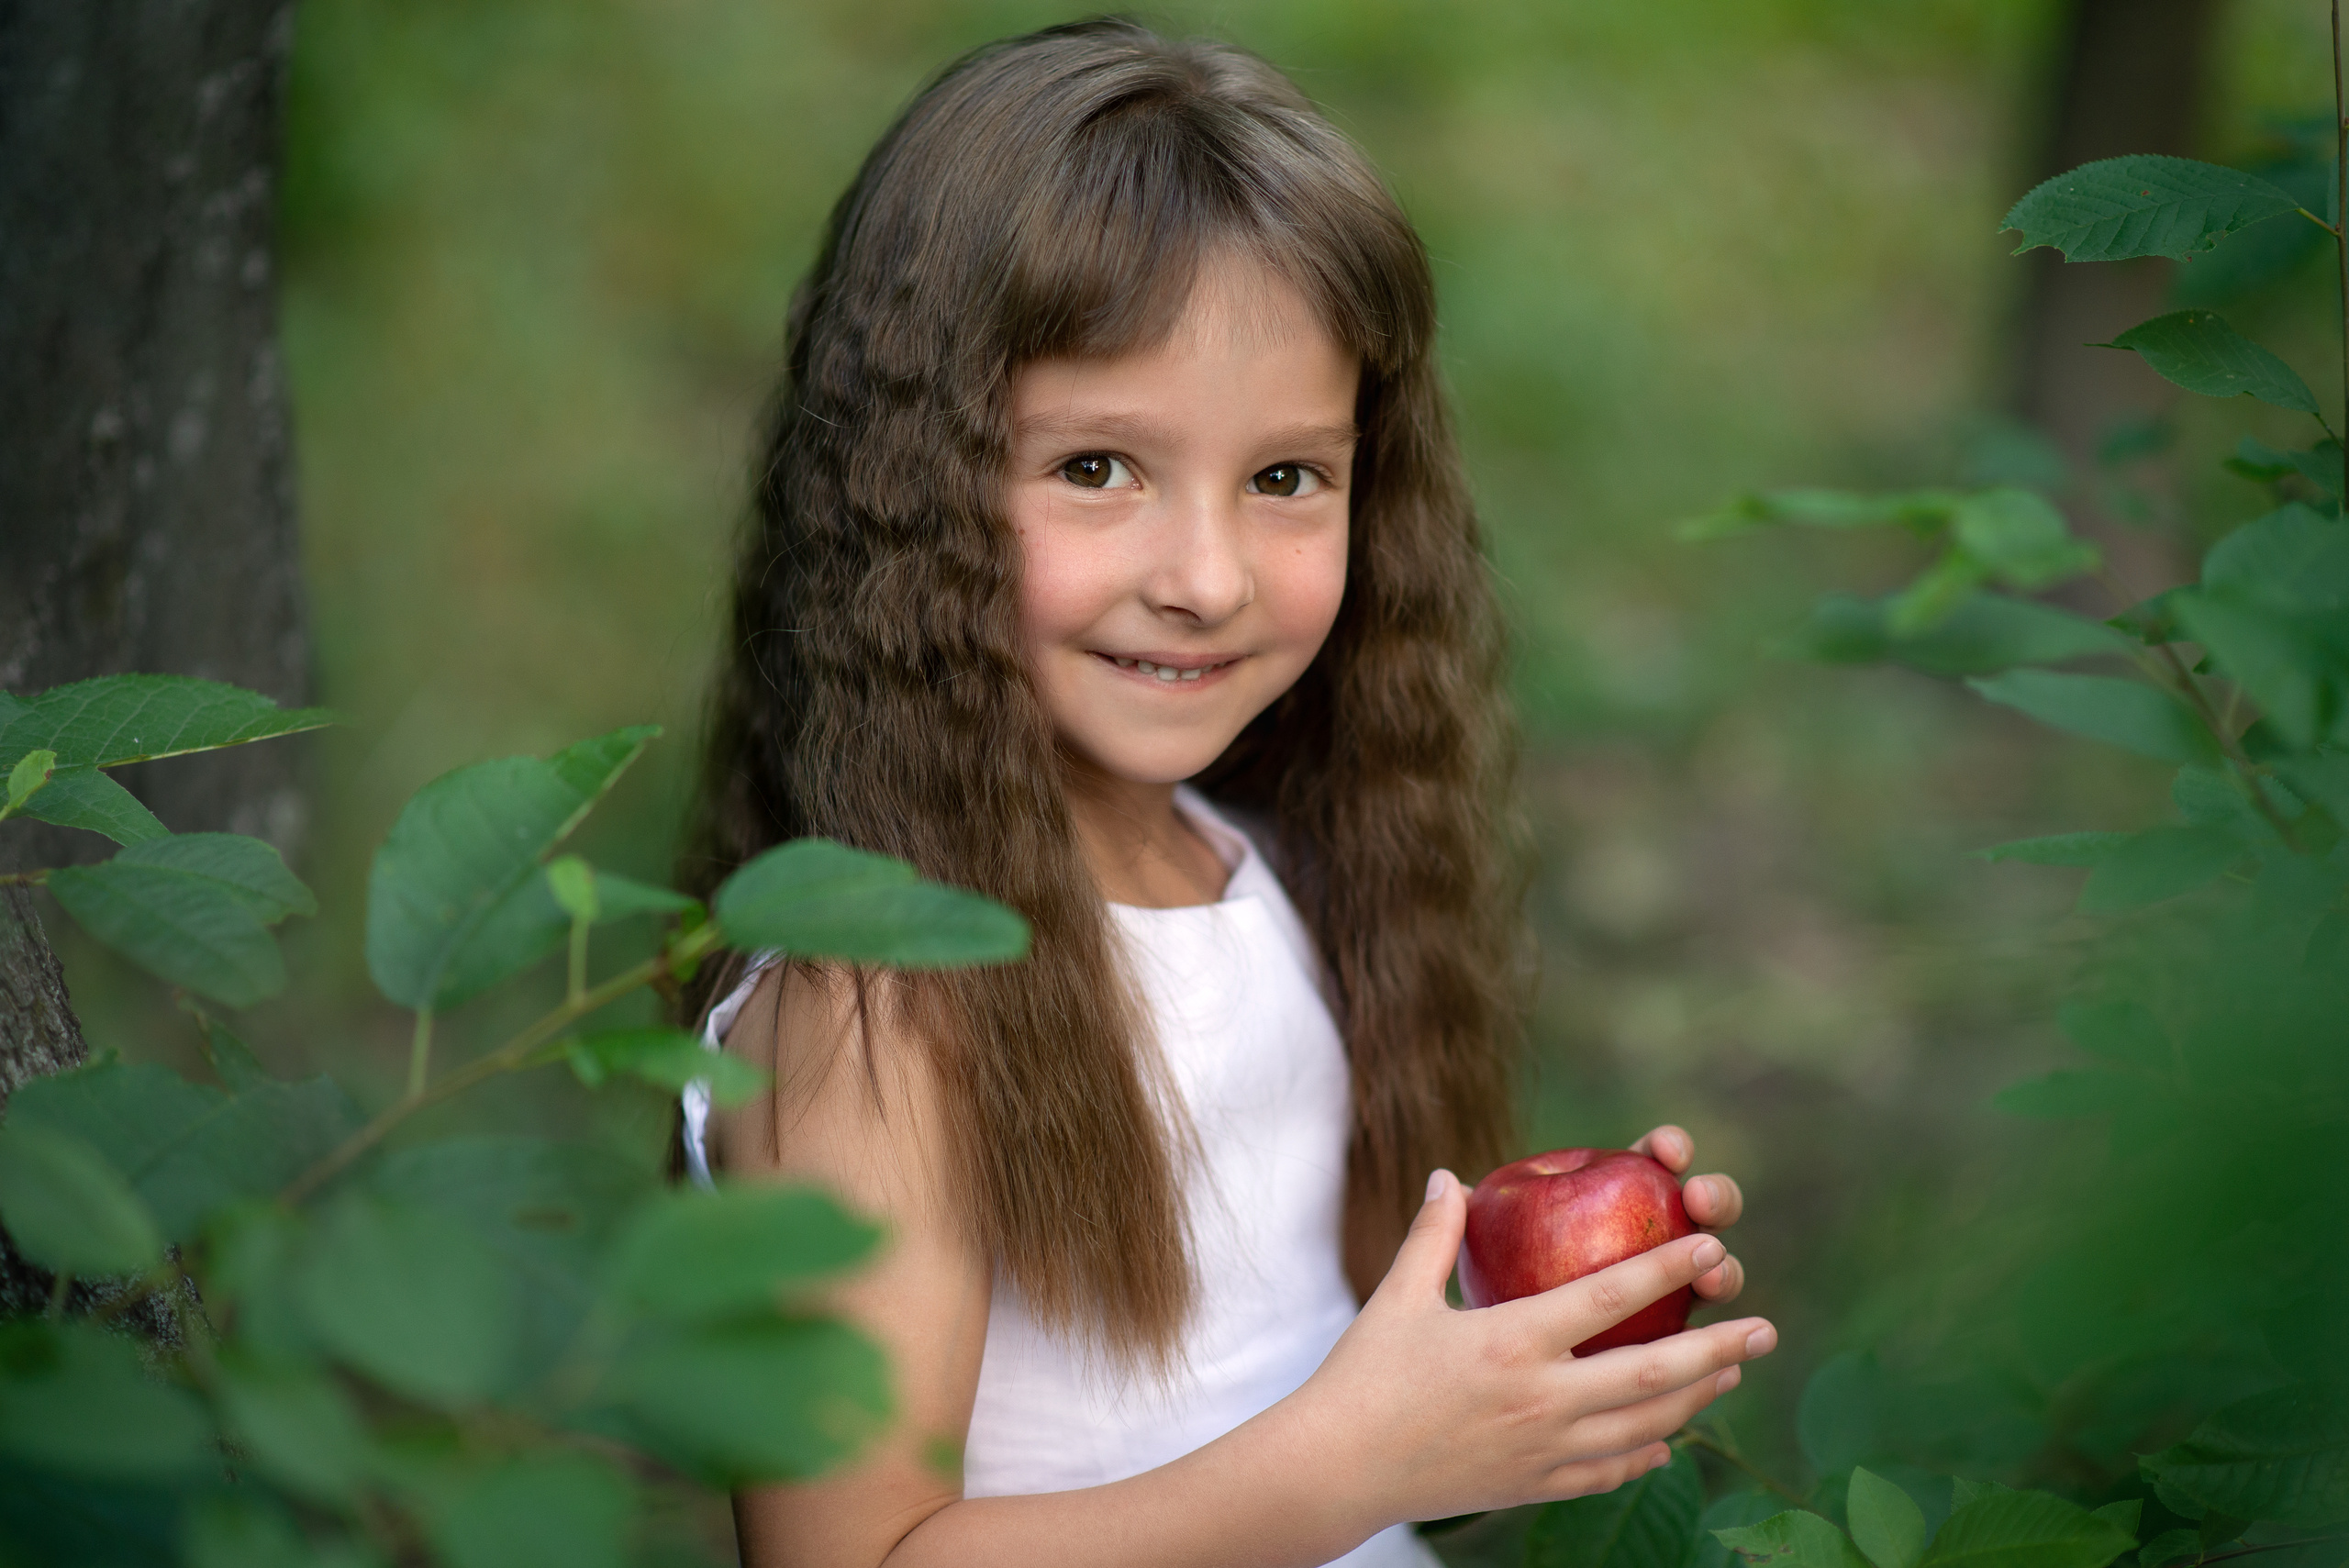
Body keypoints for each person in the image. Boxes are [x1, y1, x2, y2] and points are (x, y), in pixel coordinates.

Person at [679, 20, 1773, 1567]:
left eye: (1283, 479)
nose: (1204, 579)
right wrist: (1360, 1454)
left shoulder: (1252, 873)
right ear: (908, 487)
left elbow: (1274, 1399)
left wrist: (1524, 1370)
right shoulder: (889, 996)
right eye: (1099, 468)